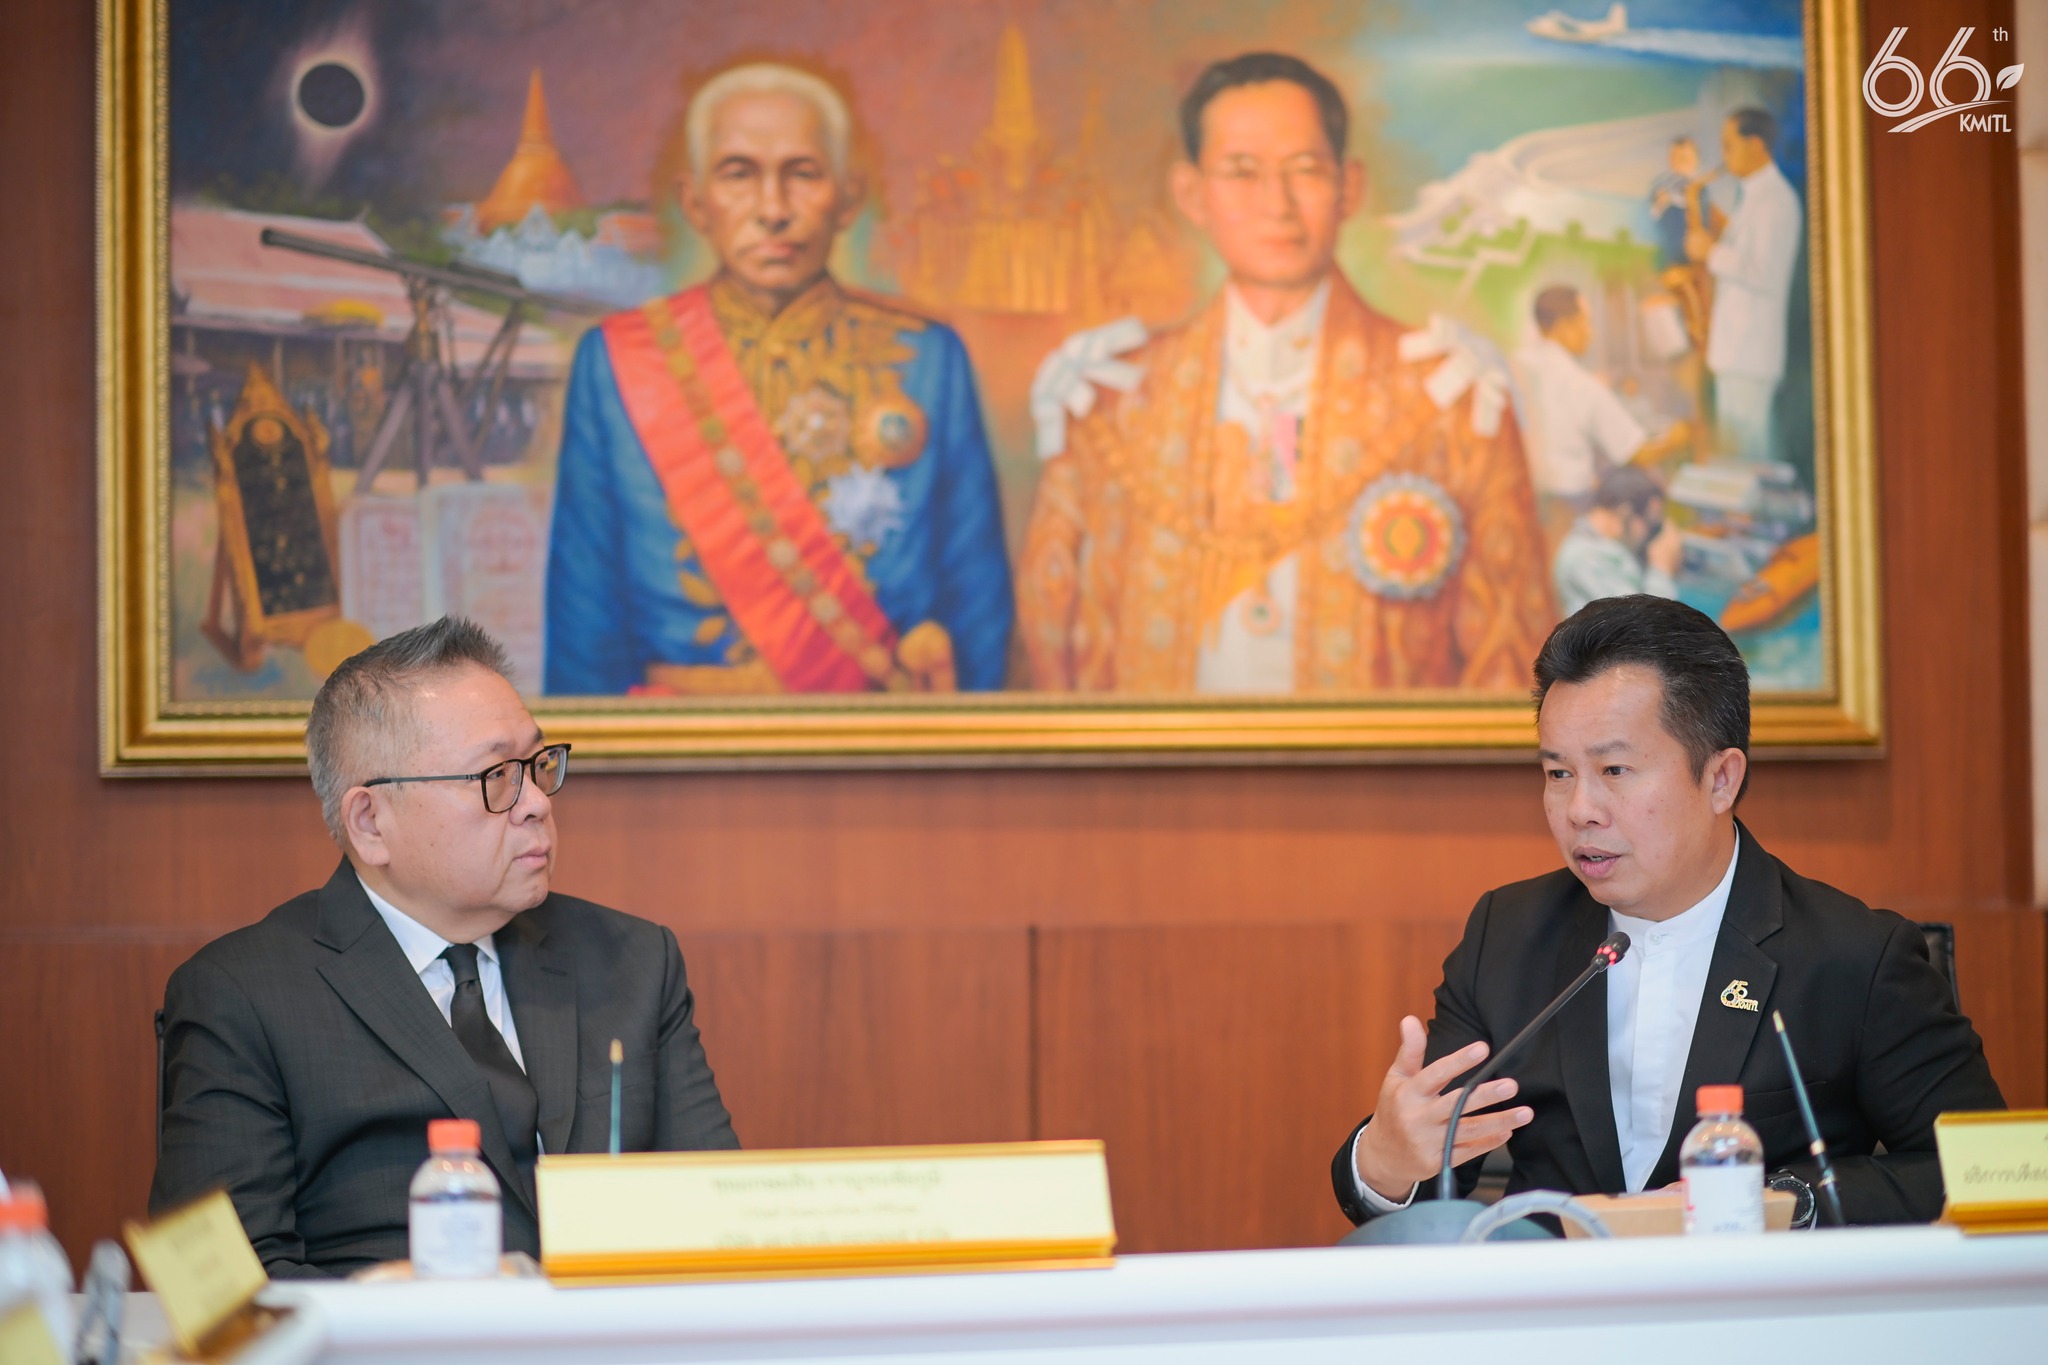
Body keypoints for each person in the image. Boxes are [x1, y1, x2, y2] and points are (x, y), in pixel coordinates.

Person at [1332, 595, 2003, 1228]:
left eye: (1615, 771)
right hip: (1559, 1304)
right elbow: (1436, 1162)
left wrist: (1786, 1202)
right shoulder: (1506, 935)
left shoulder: (1853, 956)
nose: (1579, 810)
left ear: (1721, 778)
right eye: (1559, 773)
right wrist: (1386, 1161)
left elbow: (1979, 1172)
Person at [152, 618, 737, 1277]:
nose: (537, 803)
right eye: (497, 775)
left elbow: (723, 1228)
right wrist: (400, 1306)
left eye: (538, 765)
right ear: (371, 822)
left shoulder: (631, 961)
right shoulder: (244, 995)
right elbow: (222, 1289)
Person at [1018, 53, 1553, 694]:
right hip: (1162, 760)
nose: (1277, 204)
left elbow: (1511, 670)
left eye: (1304, 170)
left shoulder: (1451, 400)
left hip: (1377, 762)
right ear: (1191, 194)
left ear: (1348, 188)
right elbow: (1049, 654)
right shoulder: (1111, 401)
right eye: (1242, 172)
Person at [546, 63, 1013, 697]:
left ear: (848, 198)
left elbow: (978, 612)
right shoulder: (616, 362)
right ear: (696, 203)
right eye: (739, 174)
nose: (773, 209)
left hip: (878, 743)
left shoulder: (927, 360)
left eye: (803, 173)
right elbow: (584, 621)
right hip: (681, 746)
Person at [1687, 108, 1801, 464]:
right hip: (1738, 353)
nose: (1723, 156)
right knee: (1740, 457)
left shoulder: (1776, 200)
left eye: (1728, 145)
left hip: (1750, 354)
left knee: (1751, 459)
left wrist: (1711, 252)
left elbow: (1765, 273)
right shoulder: (1752, 196)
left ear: (1756, 145)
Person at [1513, 285, 1686, 513]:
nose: (1591, 333)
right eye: (1585, 322)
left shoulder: (1514, 366)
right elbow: (1637, 454)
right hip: (1571, 503)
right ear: (1564, 327)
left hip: (1523, 498)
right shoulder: (1580, 384)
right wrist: (1677, 437)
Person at [1552, 465, 1682, 616]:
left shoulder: (1598, 547)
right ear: (1625, 513)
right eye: (1650, 524)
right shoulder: (1586, 559)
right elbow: (1640, 623)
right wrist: (1661, 569)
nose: (1650, 535)